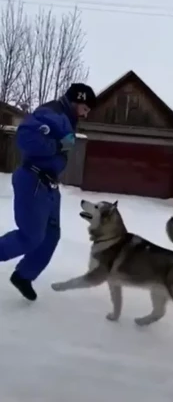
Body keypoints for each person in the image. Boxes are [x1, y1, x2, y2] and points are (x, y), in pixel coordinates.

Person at [0, 83, 97, 301]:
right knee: (31, 236)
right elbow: (25, 136)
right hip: (33, 180)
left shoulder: (67, 119)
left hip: (49, 186)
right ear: (77, 101)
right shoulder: (52, 113)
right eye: (86, 108)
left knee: (51, 236)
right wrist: (57, 146)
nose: (86, 113)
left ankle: (24, 276)